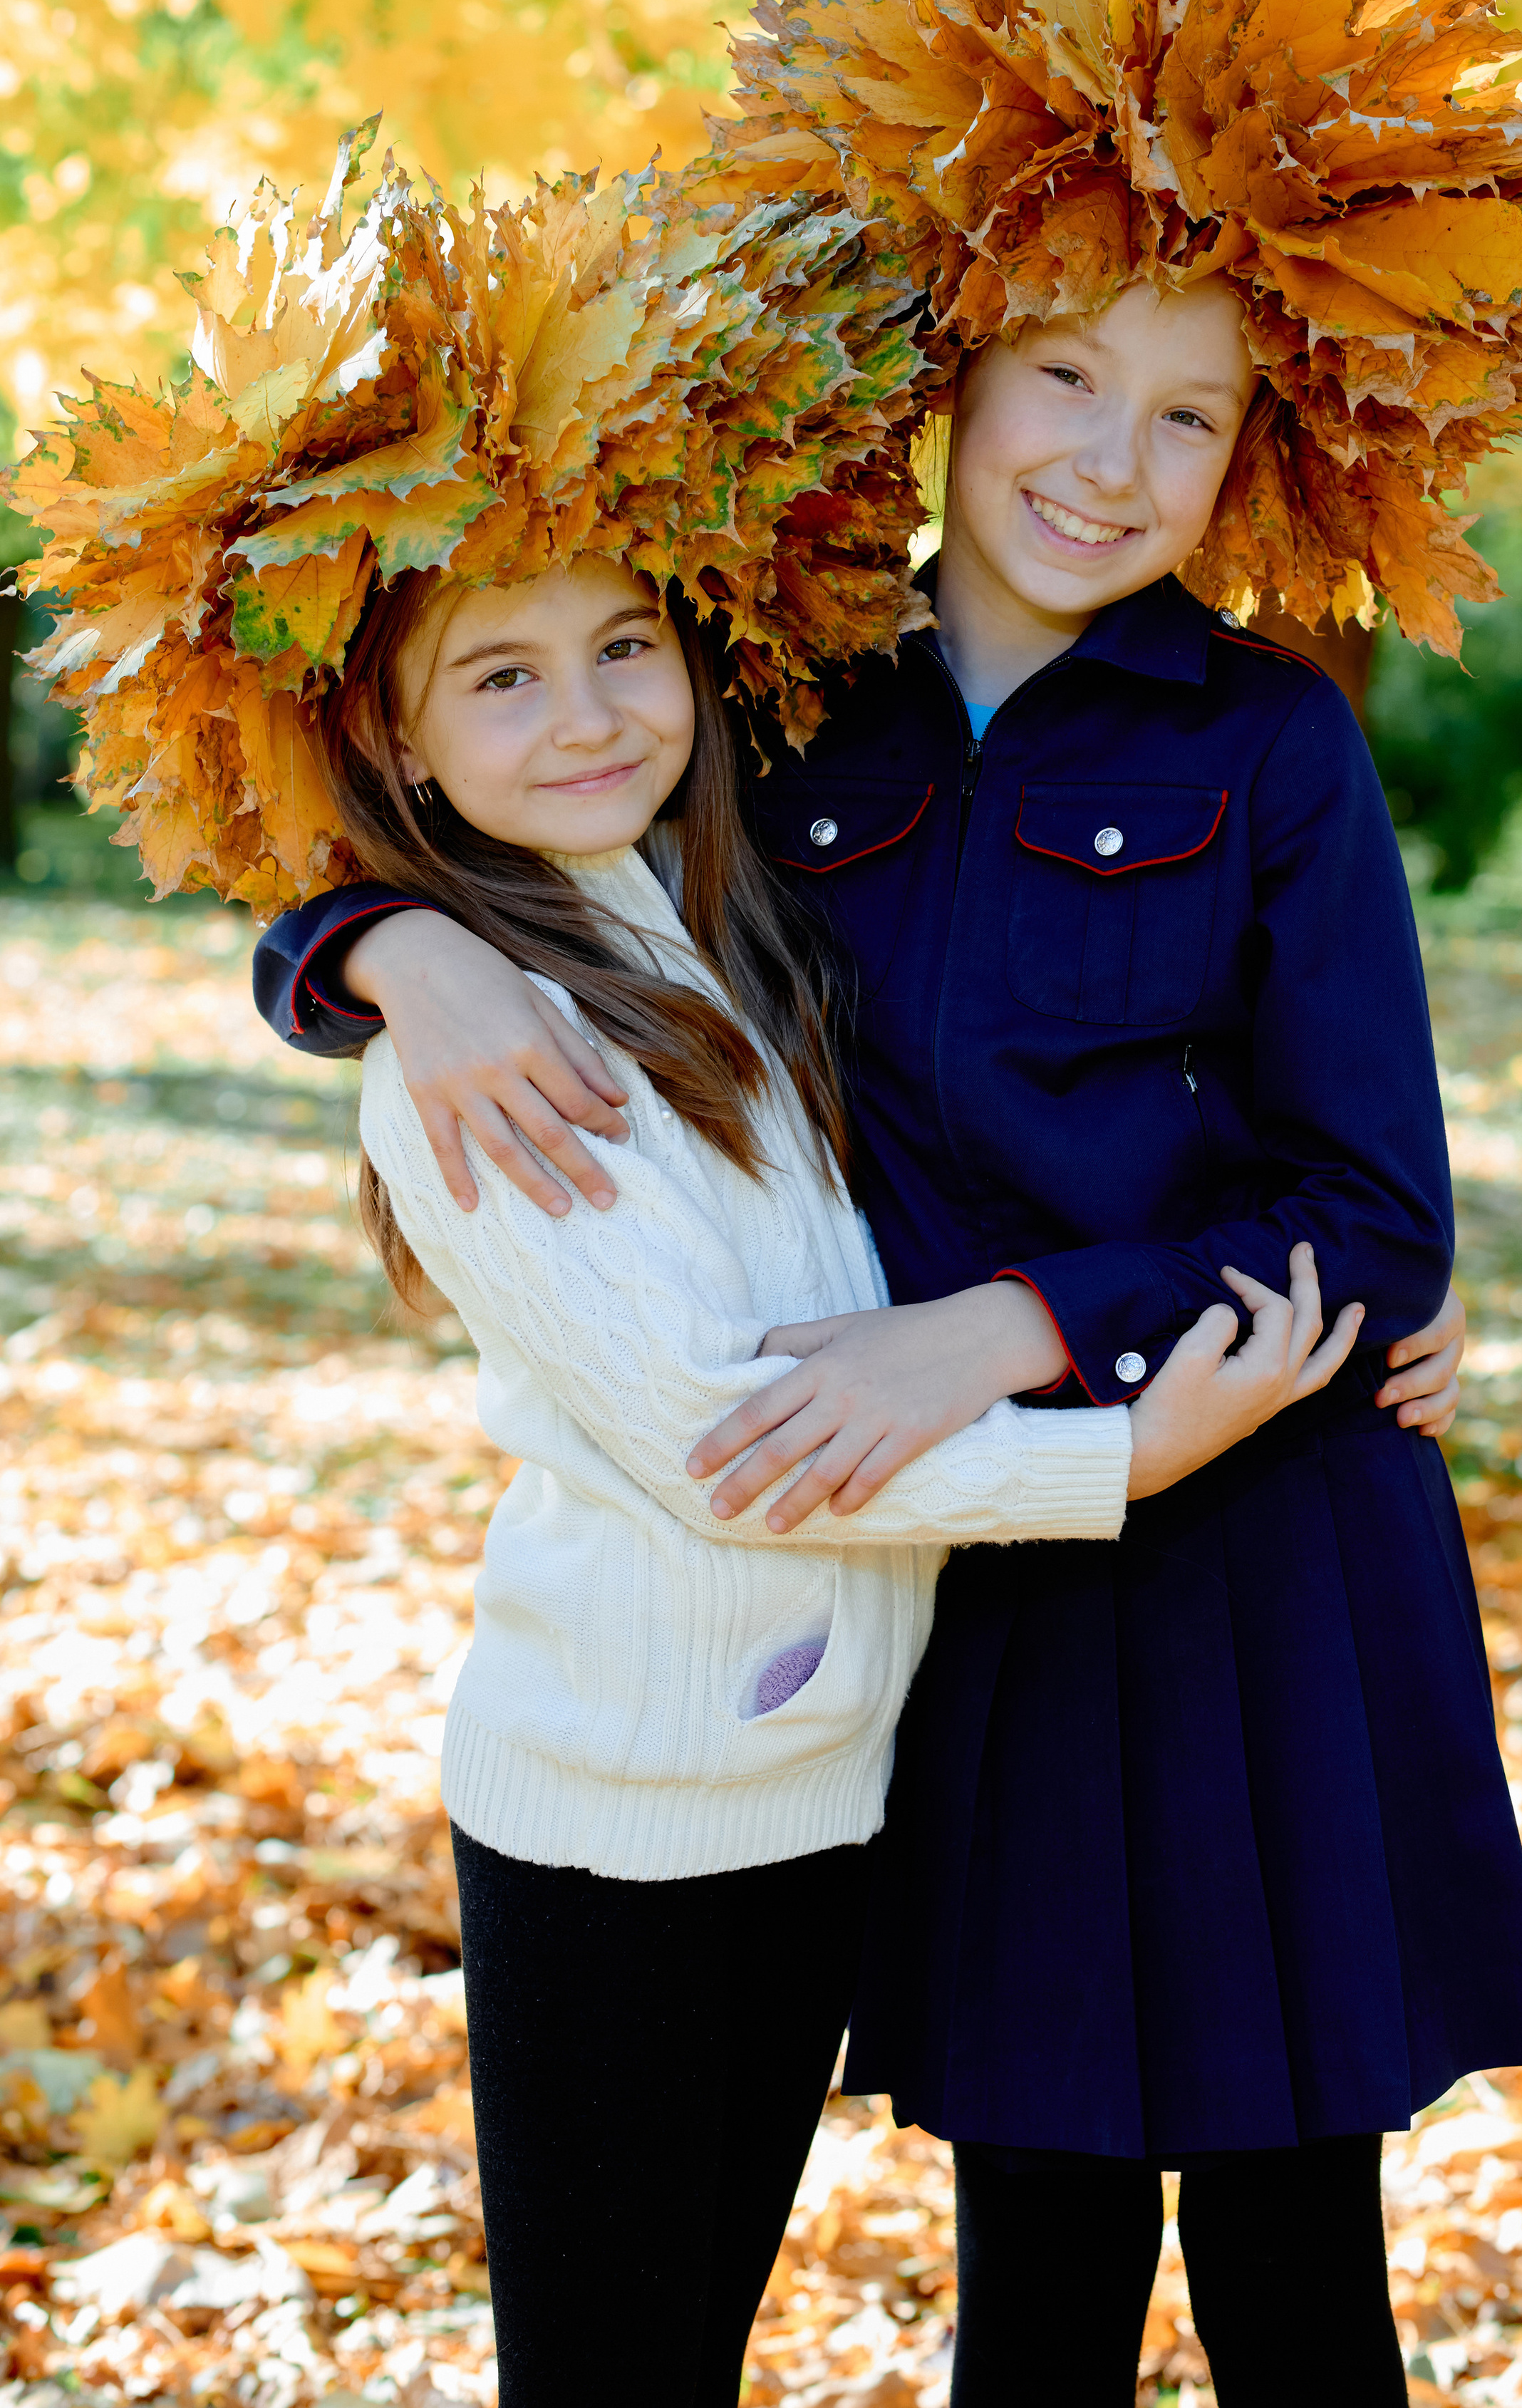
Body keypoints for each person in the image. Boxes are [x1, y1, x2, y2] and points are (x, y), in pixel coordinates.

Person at [7, 137, 1365, 2404]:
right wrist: (1126, 1446)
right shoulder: (492, 1059)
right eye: (505, 683)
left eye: (628, 650)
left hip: (821, 1795)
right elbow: (738, 1449)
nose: (592, 718)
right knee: (623, 2364)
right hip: (625, 1819)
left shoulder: (709, 915)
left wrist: (373, 932)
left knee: (701, 2326)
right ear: (400, 742)